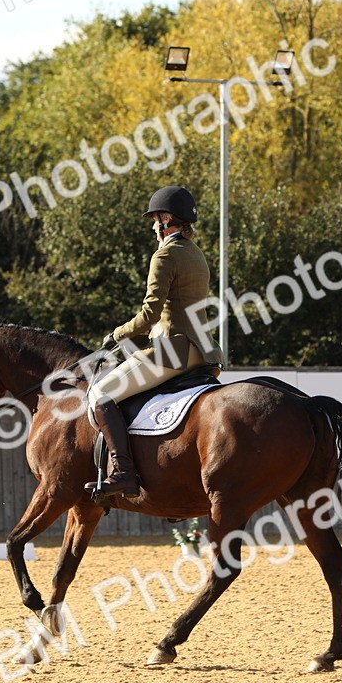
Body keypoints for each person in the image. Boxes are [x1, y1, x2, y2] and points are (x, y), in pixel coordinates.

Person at [85, 186, 226, 497]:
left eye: (155, 220)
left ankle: (123, 472)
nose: (152, 227)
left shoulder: (164, 255)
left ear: (166, 220)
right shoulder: (196, 254)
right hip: (202, 352)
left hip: (172, 351)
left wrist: (117, 334)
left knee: (100, 394)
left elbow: (150, 314)